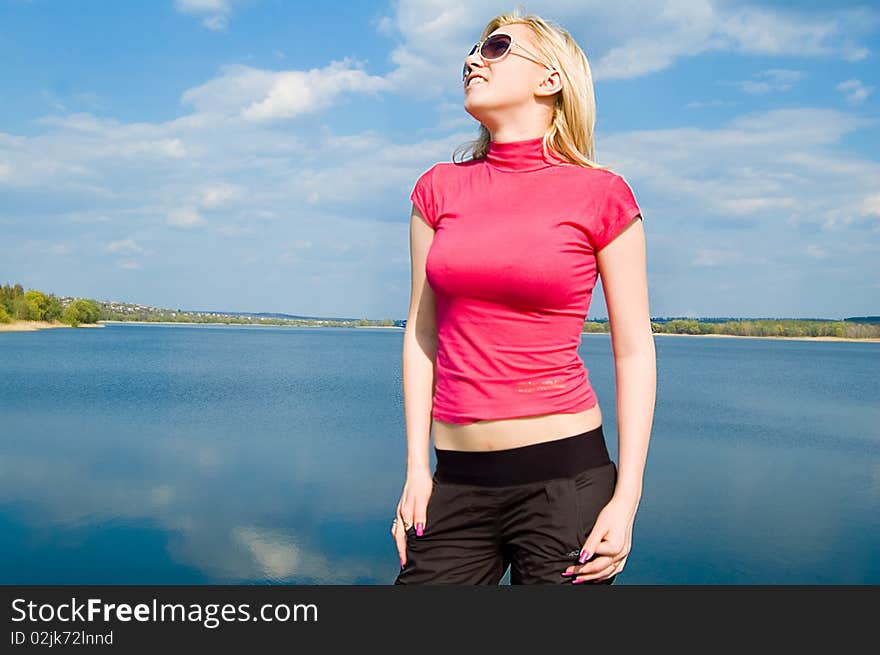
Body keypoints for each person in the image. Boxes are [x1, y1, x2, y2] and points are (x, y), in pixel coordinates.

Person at [392, 9, 655, 585]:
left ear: (550, 79)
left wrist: (627, 497)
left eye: (496, 48)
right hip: (454, 482)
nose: (471, 59)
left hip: (567, 483)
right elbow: (420, 333)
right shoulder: (437, 188)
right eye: (473, 48)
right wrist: (417, 469)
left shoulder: (603, 195)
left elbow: (633, 350)